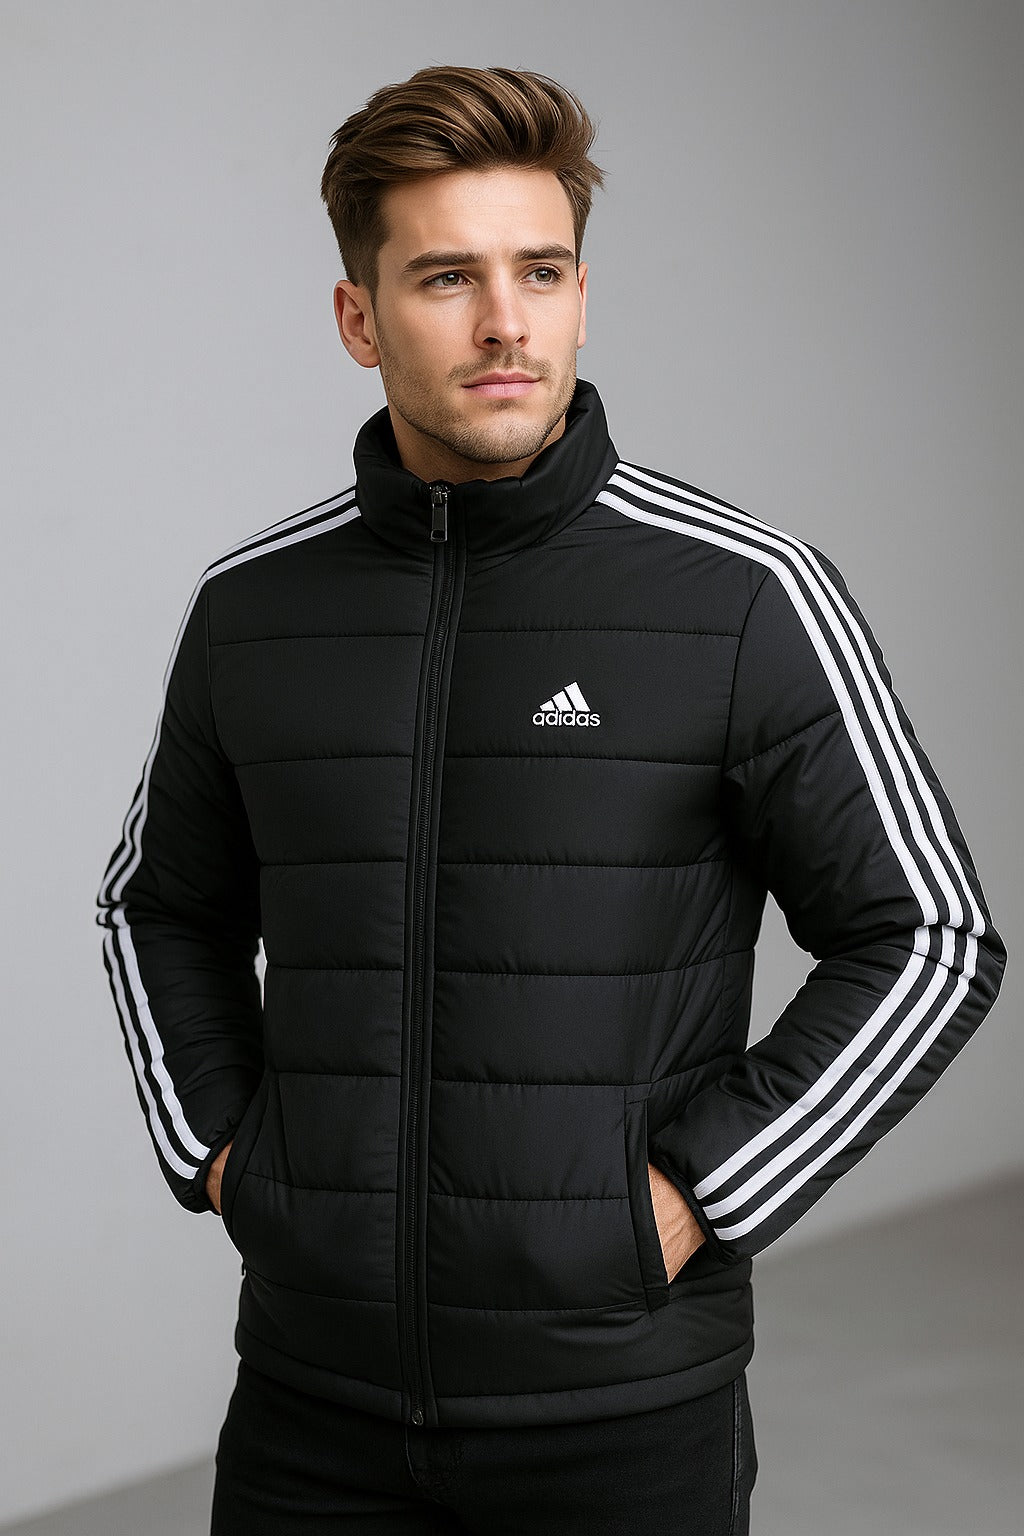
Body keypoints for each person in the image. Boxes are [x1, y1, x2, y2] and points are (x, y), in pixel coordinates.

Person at [96, 64, 1005, 1535]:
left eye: (541, 270)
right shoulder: (254, 610)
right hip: (309, 1413)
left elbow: (933, 937)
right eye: (447, 277)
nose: (506, 322)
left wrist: (702, 1194)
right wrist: (223, 1158)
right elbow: (158, 905)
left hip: (618, 1421)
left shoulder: (742, 598)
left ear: (583, 297)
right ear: (359, 318)